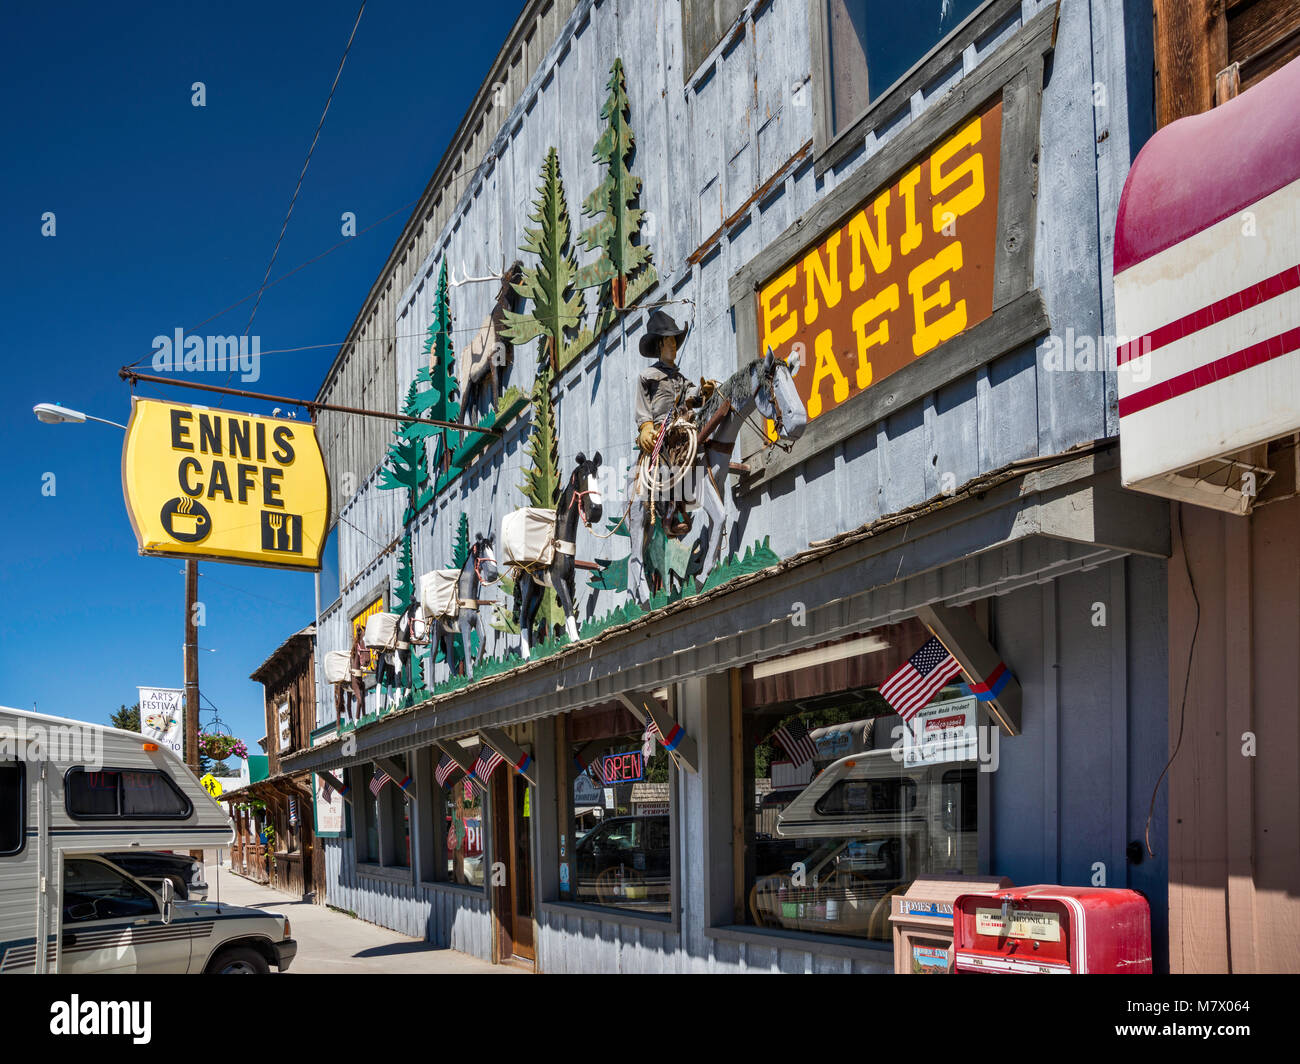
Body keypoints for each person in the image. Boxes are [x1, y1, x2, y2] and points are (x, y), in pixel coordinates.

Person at [635, 310, 703, 536]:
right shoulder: (647, 376)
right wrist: (646, 428)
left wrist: (704, 390)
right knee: (667, 465)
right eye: (668, 342)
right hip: (660, 433)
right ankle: (670, 515)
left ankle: (694, 498)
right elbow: (643, 408)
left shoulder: (681, 378)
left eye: (675, 341)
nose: (673, 346)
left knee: (698, 448)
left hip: (682, 427)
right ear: (659, 346)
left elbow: (693, 395)